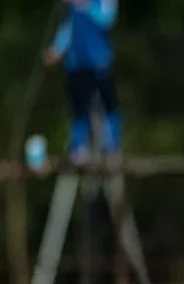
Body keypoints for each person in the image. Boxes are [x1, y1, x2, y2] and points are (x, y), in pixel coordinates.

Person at [44, 0, 122, 168]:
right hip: (76, 64)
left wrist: (84, 5)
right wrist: (57, 49)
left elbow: (107, 19)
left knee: (108, 107)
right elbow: (69, 27)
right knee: (78, 108)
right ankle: (79, 148)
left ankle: (112, 148)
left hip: (99, 62)